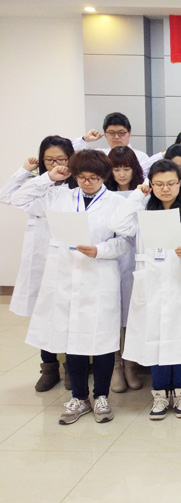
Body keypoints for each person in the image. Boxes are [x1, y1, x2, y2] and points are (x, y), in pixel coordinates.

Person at [11, 149, 133, 425]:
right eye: (81, 177)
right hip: (66, 278)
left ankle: (101, 397)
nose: (87, 183)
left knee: (102, 341)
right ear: (73, 175)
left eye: (93, 178)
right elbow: (17, 198)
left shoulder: (116, 202)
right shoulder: (59, 196)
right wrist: (48, 178)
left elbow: (126, 240)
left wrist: (100, 250)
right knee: (72, 340)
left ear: (104, 177)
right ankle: (79, 397)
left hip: (100, 275)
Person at [111, 159, 181, 419]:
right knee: (154, 339)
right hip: (151, 286)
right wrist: (137, 195)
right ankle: (159, 395)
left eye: (171, 183)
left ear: (180, 183)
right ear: (150, 185)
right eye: (159, 184)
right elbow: (118, 225)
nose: (165, 189)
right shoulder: (142, 214)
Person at [0, 136, 75, 392]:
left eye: (62, 159)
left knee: (69, 310)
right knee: (43, 313)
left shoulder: (76, 186)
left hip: (68, 255)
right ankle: (49, 366)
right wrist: (34, 174)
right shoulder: (38, 185)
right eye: (49, 160)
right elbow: (8, 196)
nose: (56, 164)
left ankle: (72, 366)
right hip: (41, 256)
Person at [106, 146, 145, 393]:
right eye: (116, 169)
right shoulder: (104, 195)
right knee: (112, 313)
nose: (121, 174)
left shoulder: (143, 193)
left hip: (135, 257)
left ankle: (131, 364)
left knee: (133, 312)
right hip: (109, 259)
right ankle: (116, 365)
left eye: (126, 169)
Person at [74, 112, 150, 167]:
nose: (116, 137)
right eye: (111, 133)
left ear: (129, 132)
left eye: (121, 133)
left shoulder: (141, 157)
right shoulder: (99, 155)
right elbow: (69, 154)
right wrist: (84, 139)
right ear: (105, 133)